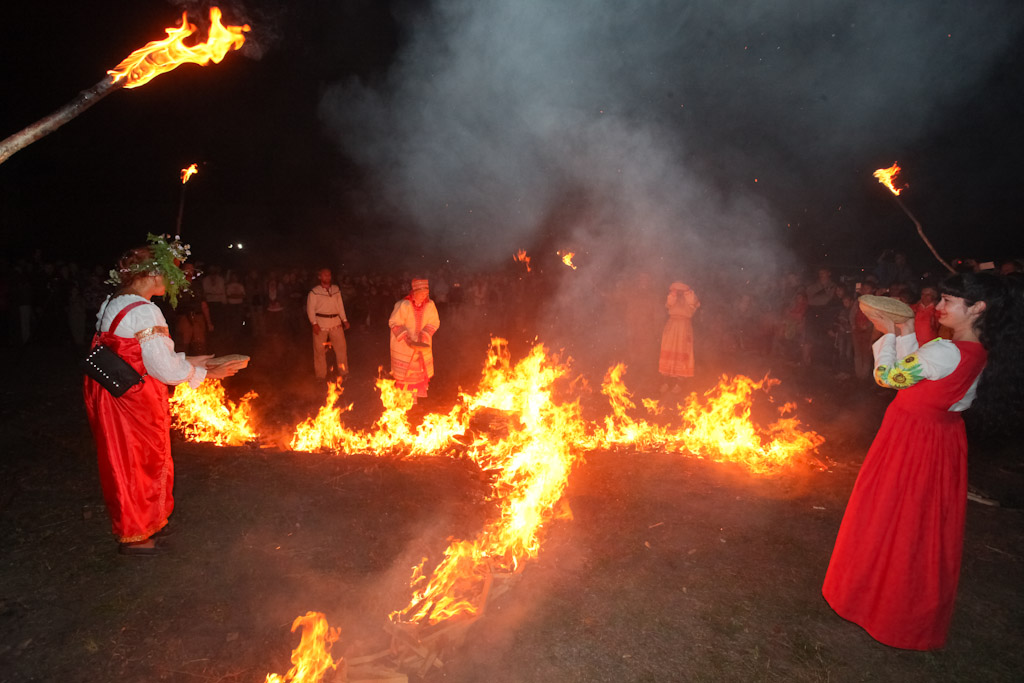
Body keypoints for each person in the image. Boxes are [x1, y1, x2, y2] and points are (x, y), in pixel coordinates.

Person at [822, 271, 1022, 650]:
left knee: (888, 515)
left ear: (978, 308)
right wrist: (901, 330)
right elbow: (922, 368)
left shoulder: (948, 351)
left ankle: (875, 602)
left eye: (948, 301)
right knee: (916, 524)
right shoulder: (973, 351)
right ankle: (897, 609)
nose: (939, 307)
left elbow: (891, 377)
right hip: (940, 440)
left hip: (913, 439)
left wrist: (891, 332)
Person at [84, 235, 240, 556]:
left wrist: (200, 360)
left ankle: (151, 520)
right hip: (132, 399)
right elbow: (161, 368)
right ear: (152, 275)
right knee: (136, 462)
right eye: (169, 273)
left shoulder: (116, 301)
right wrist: (207, 373)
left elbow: (138, 355)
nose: (173, 280)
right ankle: (137, 535)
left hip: (113, 392)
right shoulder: (144, 311)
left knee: (138, 459)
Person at [388, 278, 440, 400]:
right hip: (404, 345)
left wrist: (424, 335)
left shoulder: (430, 305)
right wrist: (408, 339)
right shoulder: (403, 305)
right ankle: (404, 399)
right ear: (414, 292)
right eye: (422, 293)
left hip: (422, 345)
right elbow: (394, 322)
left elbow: (434, 322)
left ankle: (414, 397)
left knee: (419, 372)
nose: (424, 296)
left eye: (426, 293)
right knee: (406, 374)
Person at [307, 268, 350, 380]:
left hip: (335, 322)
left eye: (329, 275)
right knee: (319, 350)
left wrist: (344, 320)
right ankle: (320, 375)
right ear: (320, 277)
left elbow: (340, 305)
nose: (327, 277)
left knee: (341, 349)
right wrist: (314, 323)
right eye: (325, 275)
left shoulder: (335, 289)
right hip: (320, 323)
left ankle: (344, 372)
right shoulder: (314, 292)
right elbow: (310, 309)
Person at [658, 281, 699, 393]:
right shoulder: (672, 296)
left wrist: (685, 291)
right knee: (669, 352)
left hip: (684, 328)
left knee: (682, 352)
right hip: (672, 326)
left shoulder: (690, 296)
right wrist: (674, 292)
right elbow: (669, 303)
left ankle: (678, 384)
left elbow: (692, 302)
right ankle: (665, 382)